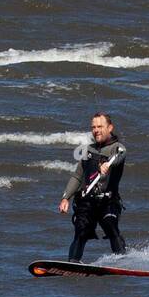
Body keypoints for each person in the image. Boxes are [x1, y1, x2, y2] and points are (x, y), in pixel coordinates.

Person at [58, 112, 127, 261]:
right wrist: (66, 198)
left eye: (100, 126)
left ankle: (123, 261)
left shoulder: (117, 148)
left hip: (108, 201)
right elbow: (77, 176)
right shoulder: (88, 150)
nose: (96, 130)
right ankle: (73, 263)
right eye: (93, 127)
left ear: (110, 128)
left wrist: (108, 164)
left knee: (110, 225)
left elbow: (120, 156)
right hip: (87, 201)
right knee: (81, 230)